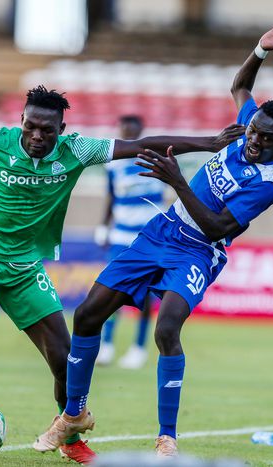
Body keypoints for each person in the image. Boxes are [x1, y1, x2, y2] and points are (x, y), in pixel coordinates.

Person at [0, 85, 242, 464]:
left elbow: (141, 145)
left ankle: (70, 437)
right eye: (30, 127)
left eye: (47, 130)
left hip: (24, 269)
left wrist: (209, 144)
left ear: (61, 129)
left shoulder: (76, 151)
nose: (37, 136)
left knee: (65, 360)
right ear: (21, 121)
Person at [33, 16, 273, 458]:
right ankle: (73, 414)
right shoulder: (247, 126)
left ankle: (167, 438)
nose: (254, 140)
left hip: (199, 251)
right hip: (162, 230)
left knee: (167, 328)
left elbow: (217, 227)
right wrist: (260, 50)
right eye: (253, 131)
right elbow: (240, 85)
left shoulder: (270, 181)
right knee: (88, 314)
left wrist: (177, 180)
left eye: (266, 138)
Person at [95, 115, 164, 369]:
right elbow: (111, 197)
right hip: (121, 236)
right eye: (124, 130)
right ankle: (106, 344)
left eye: (132, 131)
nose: (128, 135)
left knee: (145, 295)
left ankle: (139, 347)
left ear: (141, 130)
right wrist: (104, 225)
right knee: (112, 291)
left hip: (149, 238)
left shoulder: (156, 158)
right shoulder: (113, 164)